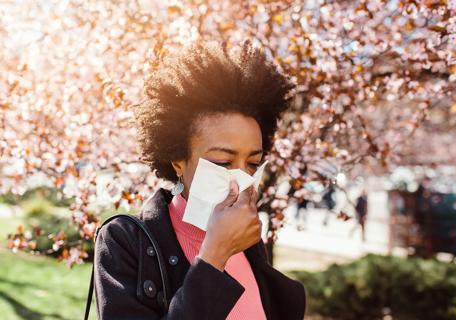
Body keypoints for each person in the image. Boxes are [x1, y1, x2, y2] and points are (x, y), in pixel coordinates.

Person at [93, 41, 306, 319]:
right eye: (222, 162)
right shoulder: (124, 242)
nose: (240, 178)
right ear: (178, 160)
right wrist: (214, 255)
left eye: (253, 163)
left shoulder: (248, 240)